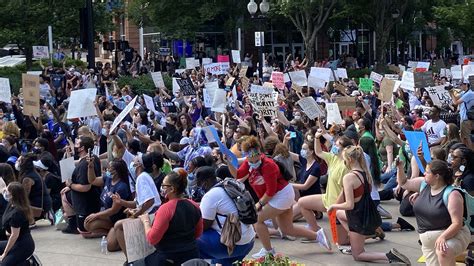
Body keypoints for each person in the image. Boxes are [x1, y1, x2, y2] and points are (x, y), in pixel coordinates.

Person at [226, 136, 331, 259]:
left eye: (255, 160)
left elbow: (270, 191)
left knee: (257, 219)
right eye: (250, 160)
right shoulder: (248, 162)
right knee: (287, 229)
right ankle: (318, 236)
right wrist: (229, 162)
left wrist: (258, 205)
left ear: (259, 153)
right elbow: (238, 174)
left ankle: (269, 251)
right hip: (279, 195)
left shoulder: (268, 165)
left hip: (281, 195)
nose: (253, 163)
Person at [327, 146, 411, 264]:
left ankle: (388, 256)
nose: (343, 162)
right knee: (340, 215)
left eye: (344, 159)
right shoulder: (365, 173)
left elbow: (349, 205)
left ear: (350, 160)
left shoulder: (349, 177)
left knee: (358, 255)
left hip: (357, 216)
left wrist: (333, 206)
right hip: (365, 213)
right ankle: (356, 238)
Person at [397, 159, 471, 265]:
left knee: (444, 251)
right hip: (428, 241)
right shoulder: (423, 185)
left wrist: (443, 237)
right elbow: (404, 183)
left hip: (453, 236)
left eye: (427, 172)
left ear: (437, 176)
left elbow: (457, 223)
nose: (424, 174)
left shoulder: (452, 194)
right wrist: (400, 167)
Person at [298, 132, 352, 244]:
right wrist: (317, 137)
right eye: (335, 144)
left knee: (341, 242)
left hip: (338, 205)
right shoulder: (333, 158)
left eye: (337, 146)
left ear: (345, 149)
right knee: (302, 203)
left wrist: (335, 206)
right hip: (327, 199)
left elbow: (345, 190)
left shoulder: (346, 166)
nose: (334, 147)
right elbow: (318, 152)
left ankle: (371, 233)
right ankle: (316, 232)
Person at [139, 170, 203, 265]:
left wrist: (146, 222)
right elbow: (198, 233)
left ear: (172, 189)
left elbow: (152, 239)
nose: (162, 188)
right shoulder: (195, 205)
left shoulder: (166, 209)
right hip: (192, 257)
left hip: (169, 258)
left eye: (164, 186)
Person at [196, 166, 255, 266]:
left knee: (189, 240)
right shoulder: (228, 185)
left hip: (232, 245)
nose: (199, 186)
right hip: (248, 242)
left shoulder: (211, 195)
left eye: (199, 183)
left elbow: (204, 226)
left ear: (206, 182)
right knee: (219, 263)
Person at [84, 158, 131, 237]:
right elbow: (92, 180)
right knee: (87, 224)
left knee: (90, 224)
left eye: (109, 168)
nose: (107, 170)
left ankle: (113, 232)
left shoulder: (121, 187)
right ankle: (107, 233)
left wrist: (96, 215)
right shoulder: (108, 179)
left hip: (115, 217)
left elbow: (114, 210)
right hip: (105, 213)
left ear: (116, 172)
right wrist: (90, 167)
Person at [0, 182, 35, 265]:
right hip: (16, 241)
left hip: (23, 245)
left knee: (4, 264)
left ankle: (28, 263)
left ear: (12, 195)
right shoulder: (11, 204)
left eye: (7, 191)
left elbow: (14, 236)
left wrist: (4, 254)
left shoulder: (17, 213)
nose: (5, 191)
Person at [16, 154, 52, 224]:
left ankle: (31, 220)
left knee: (18, 204)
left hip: (39, 205)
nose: (17, 162)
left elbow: (24, 196)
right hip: (43, 202)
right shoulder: (33, 173)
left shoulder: (28, 178)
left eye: (19, 161)